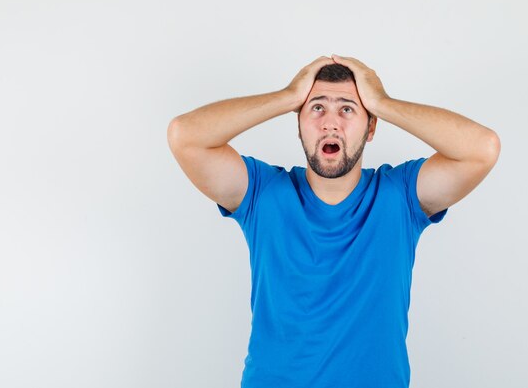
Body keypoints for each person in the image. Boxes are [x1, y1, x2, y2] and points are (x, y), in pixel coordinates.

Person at [166, 55, 501, 388]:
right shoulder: (263, 193)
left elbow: (482, 149)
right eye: (317, 108)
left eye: (347, 109)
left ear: (371, 127)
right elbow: (184, 136)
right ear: (298, 122)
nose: (330, 123)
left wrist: (381, 102)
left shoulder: (399, 197)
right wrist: (287, 97)